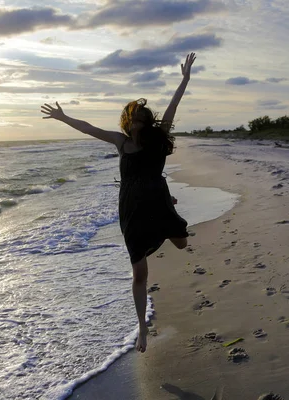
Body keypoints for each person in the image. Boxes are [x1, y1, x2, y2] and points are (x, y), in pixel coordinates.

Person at [41, 52, 197, 353]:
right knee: (140, 273)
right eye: (134, 116)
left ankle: (169, 208)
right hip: (131, 209)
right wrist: (63, 117)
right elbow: (89, 128)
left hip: (158, 200)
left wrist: (184, 80)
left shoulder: (158, 137)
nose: (138, 120)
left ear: (146, 120)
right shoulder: (120, 142)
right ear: (129, 120)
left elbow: (173, 106)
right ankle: (142, 328)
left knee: (182, 244)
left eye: (142, 117)